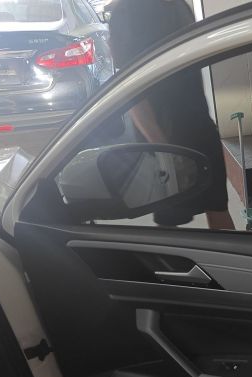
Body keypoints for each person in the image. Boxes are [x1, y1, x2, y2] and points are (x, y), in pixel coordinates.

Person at [106, 0, 234, 230]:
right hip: (166, 139)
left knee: (215, 207)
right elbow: (132, 90)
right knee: (173, 220)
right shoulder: (130, 11)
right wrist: (163, 150)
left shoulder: (175, 6)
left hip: (195, 130)